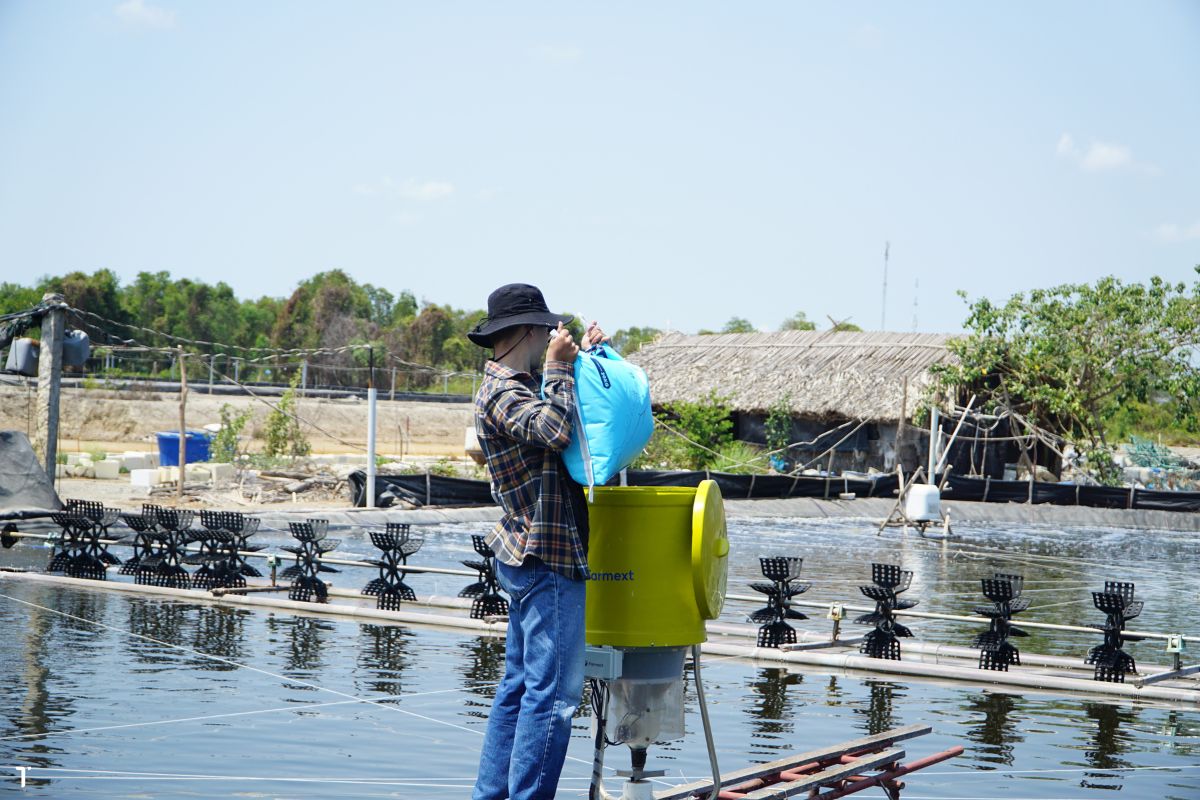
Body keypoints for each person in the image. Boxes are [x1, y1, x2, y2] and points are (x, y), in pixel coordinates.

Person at [467, 282, 607, 800]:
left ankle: (493, 795)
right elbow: (554, 430)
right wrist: (560, 369)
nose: (551, 333)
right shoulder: (504, 390)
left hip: (530, 553)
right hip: (545, 556)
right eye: (545, 327)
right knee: (554, 698)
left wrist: (585, 359)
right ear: (527, 330)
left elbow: (558, 417)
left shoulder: (517, 384)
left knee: (521, 686)